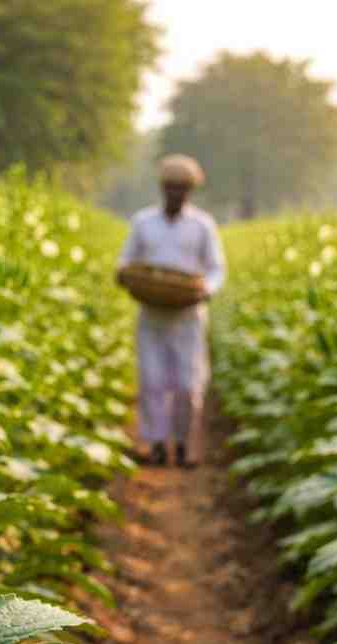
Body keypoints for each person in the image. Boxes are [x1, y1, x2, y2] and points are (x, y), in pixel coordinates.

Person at [116, 154, 226, 468]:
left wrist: (206, 290)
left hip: (188, 318)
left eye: (183, 189)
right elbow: (126, 261)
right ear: (163, 188)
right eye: (171, 188)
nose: (176, 194)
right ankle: (155, 444)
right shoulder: (143, 222)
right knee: (151, 382)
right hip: (151, 315)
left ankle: (183, 443)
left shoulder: (202, 225)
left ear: (190, 192)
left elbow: (216, 269)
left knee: (188, 385)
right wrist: (123, 275)